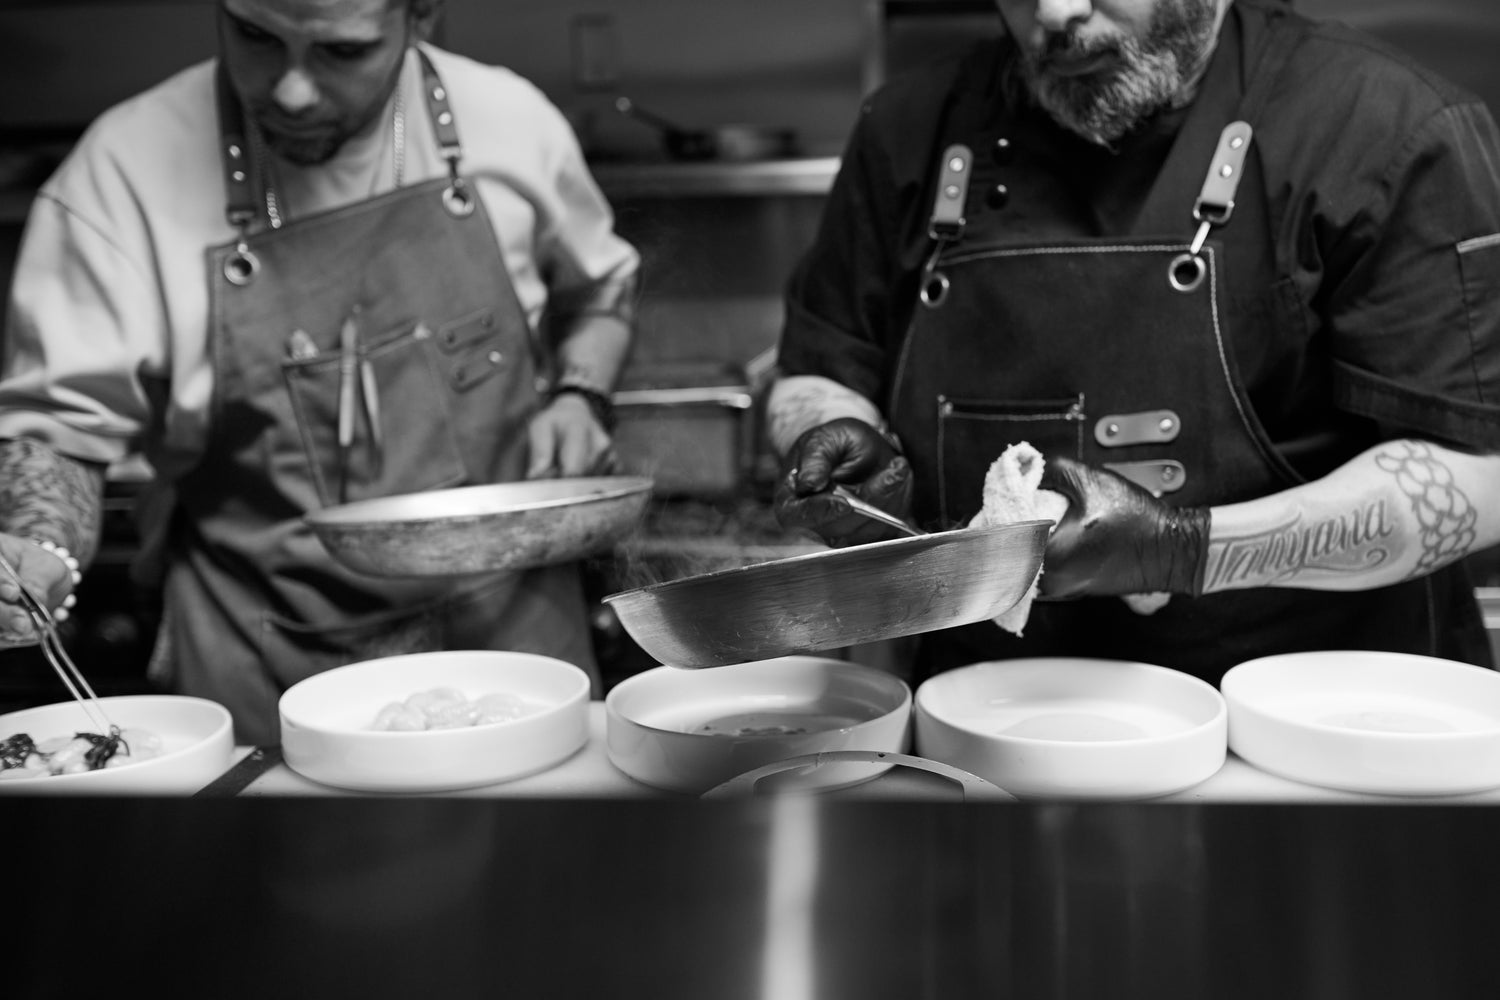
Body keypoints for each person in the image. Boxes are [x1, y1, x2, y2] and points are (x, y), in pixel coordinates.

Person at [769, 0, 1500, 686]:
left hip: (1320, 721)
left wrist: (1181, 549)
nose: (1056, 13)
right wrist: (842, 444)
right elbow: (818, 368)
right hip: (982, 719)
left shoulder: (1388, 126)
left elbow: (1479, 478)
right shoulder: (909, 127)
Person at [0, 0, 639, 744]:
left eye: (342, 51)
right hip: (263, 662)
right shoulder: (120, 174)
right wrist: (39, 546)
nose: (292, 89)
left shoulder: (510, 120)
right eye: (255, 36)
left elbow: (600, 294)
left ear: (421, 14)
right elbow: (61, 431)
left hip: (516, 640)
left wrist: (580, 395)